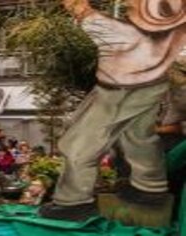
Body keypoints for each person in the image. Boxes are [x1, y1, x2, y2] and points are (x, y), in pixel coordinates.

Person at [39, 0, 186, 221]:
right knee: (138, 138)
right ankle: (150, 188)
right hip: (151, 86)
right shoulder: (175, 33)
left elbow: (79, 8)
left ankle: (74, 202)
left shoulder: (122, 33)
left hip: (117, 92)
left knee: (79, 143)